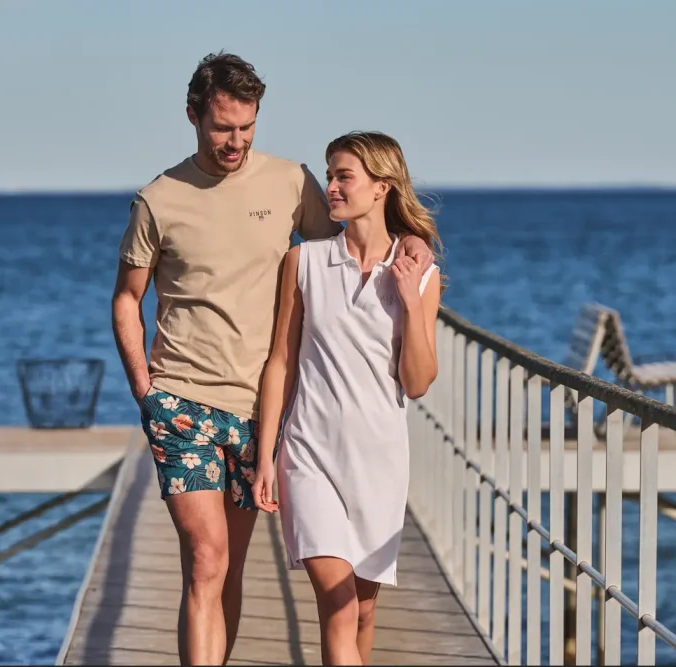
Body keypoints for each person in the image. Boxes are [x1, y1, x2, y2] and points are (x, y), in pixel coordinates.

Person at [110, 53, 433, 666]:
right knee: (206, 560)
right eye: (222, 128)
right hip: (181, 401)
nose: (235, 141)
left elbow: (351, 237)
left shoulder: (291, 183)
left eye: (247, 127)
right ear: (193, 116)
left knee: (228, 570)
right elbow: (127, 299)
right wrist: (144, 388)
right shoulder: (157, 199)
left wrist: (412, 240)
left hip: (261, 410)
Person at [252, 130, 443, 665]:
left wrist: (409, 298)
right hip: (309, 454)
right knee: (336, 606)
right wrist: (266, 456)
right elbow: (280, 363)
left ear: (382, 186)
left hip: (379, 461)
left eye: (343, 176)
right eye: (329, 174)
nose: (330, 187)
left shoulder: (417, 274)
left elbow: (418, 381)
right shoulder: (304, 262)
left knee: (361, 611)